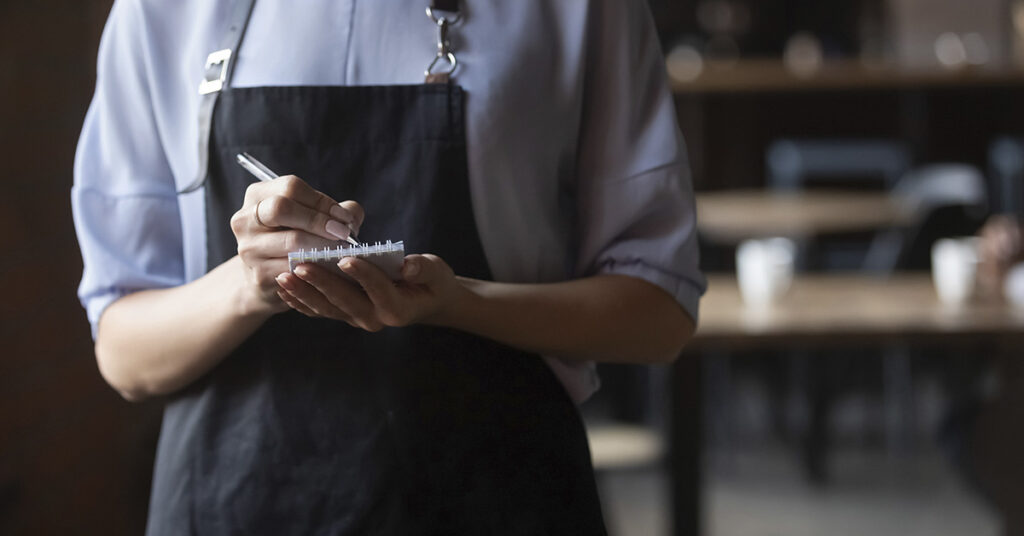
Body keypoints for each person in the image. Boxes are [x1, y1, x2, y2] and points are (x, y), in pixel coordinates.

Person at [72, 0, 705, 534]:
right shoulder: (160, 11)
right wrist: (247, 285)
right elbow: (125, 357)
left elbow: (659, 317)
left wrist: (461, 302)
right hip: (232, 503)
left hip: (497, 496)